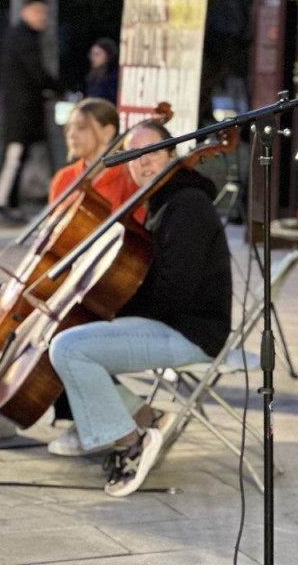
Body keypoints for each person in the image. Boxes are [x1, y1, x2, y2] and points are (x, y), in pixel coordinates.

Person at [48, 121, 233, 497]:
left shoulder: (186, 206)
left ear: (173, 155)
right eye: (136, 156)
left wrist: (120, 311)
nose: (144, 163)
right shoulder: (163, 201)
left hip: (190, 333)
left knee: (69, 348)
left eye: (153, 153)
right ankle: (144, 417)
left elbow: (175, 292)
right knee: (68, 339)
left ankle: (131, 442)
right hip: (178, 324)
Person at [0, 98, 144, 445]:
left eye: (81, 127)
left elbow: (129, 239)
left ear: (108, 132)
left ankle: (84, 418)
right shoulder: (66, 177)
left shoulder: (125, 178)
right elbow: (53, 239)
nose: (71, 134)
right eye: (69, 127)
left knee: (58, 328)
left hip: (93, 283)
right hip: (56, 276)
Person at [0, 0, 60, 223]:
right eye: (38, 12)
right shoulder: (22, 38)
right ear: (24, 12)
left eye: (45, 14)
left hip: (26, 111)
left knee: (19, 157)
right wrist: (58, 87)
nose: (42, 18)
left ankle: (13, 206)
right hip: (21, 113)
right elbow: (35, 72)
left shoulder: (26, 37)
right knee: (14, 157)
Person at [84, 38, 120, 104]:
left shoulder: (115, 76)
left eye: (97, 54)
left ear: (108, 56)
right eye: (92, 54)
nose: (93, 58)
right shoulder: (93, 76)